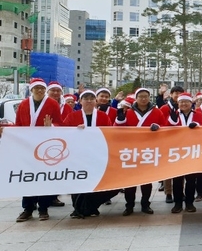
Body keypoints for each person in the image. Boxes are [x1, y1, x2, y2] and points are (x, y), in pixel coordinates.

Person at [14, 78, 62, 222]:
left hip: (46, 146)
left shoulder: (52, 104)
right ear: (32, 89)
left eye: (42, 88)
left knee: (45, 177)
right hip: (28, 146)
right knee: (28, 177)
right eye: (37, 88)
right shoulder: (23, 104)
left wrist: (51, 127)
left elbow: (60, 123)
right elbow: (18, 125)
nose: (40, 90)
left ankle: (43, 208)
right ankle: (27, 209)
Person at [63, 90, 116, 218]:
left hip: (97, 154)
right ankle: (77, 208)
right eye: (86, 98)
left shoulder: (103, 116)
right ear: (80, 101)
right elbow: (64, 132)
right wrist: (75, 131)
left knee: (94, 181)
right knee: (78, 181)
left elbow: (110, 133)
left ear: (95, 101)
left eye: (92, 98)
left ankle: (92, 207)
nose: (89, 101)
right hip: (77, 155)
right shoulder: (72, 116)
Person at [114, 88, 165, 216]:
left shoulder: (157, 112)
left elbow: (165, 128)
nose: (143, 99)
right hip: (131, 150)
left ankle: (145, 204)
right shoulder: (128, 112)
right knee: (130, 181)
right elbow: (117, 131)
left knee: (146, 180)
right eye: (140, 96)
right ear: (136, 98)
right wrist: (120, 119)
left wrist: (158, 128)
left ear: (149, 98)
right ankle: (129, 205)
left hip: (148, 150)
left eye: (146, 96)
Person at [168, 93, 202, 214]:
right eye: (181, 102)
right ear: (178, 103)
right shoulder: (173, 114)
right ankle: (177, 203)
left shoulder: (198, 114)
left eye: (186, 102)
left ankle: (189, 203)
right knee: (177, 180)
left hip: (192, 151)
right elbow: (166, 130)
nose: (183, 104)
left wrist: (198, 126)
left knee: (191, 179)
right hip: (177, 151)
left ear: (191, 103)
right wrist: (172, 122)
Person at [158, 86, 184, 203]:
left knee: (180, 169)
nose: (178, 95)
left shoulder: (184, 106)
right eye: (176, 93)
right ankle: (168, 193)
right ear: (171, 94)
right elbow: (160, 122)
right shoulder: (164, 108)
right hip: (167, 142)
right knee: (168, 169)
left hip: (181, 142)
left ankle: (180, 191)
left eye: (180, 93)